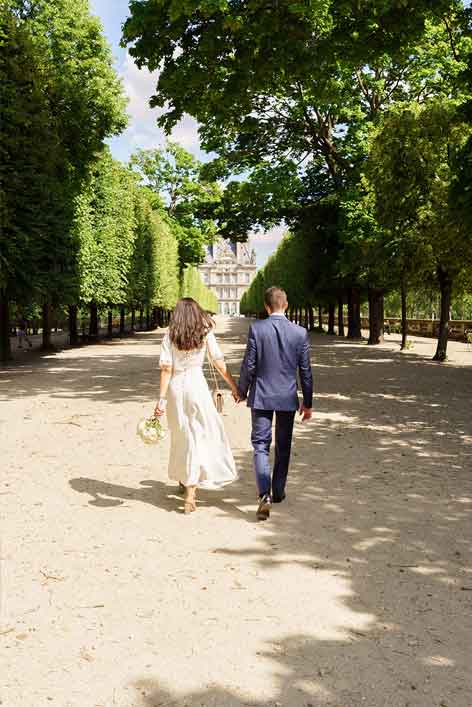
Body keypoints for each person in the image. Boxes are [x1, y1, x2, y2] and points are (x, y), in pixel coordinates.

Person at [154, 298, 239, 514]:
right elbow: (218, 362)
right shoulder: (204, 332)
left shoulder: (170, 334)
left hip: (176, 387)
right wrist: (234, 386)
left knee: (182, 435)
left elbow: (166, 369)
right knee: (201, 433)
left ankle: (187, 482)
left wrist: (161, 400)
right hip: (197, 384)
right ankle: (191, 488)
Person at [238, 287, 313, 521]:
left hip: (261, 395)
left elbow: (249, 365)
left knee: (260, 445)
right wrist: (307, 402)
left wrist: (241, 390)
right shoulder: (299, 333)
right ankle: (278, 491)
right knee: (283, 446)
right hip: (287, 397)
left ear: (266, 307)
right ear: (286, 305)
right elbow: (306, 372)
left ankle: (264, 494)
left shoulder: (257, 329)